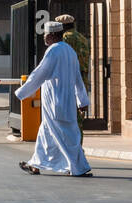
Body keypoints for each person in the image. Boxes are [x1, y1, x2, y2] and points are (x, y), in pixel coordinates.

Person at [16, 21, 92, 177]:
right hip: (65, 102)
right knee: (46, 134)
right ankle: (35, 165)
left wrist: (22, 92)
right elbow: (78, 78)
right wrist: (82, 100)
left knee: (68, 137)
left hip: (55, 102)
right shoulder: (70, 51)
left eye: (45, 35)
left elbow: (40, 74)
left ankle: (79, 168)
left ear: (51, 35)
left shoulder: (53, 51)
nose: (44, 38)